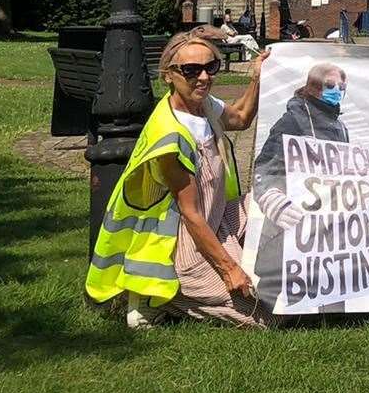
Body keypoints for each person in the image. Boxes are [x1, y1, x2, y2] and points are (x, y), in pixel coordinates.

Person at [87, 26, 271, 328]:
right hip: (183, 244)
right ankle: (162, 297)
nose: (204, 78)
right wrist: (229, 270)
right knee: (265, 316)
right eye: (191, 70)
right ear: (168, 74)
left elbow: (239, 118)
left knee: (272, 202)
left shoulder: (203, 106)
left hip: (218, 219)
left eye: (211, 67)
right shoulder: (170, 137)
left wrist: (257, 78)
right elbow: (191, 214)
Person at [251, 62, 350, 308]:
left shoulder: (339, 126)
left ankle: (334, 334)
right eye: (330, 85)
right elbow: (264, 169)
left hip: (326, 229)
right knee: (271, 297)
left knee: (331, 289)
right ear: (313, 87)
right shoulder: (292, 122)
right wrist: (276, 202)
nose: (337, 90)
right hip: (288, 227)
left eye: (341, 86)